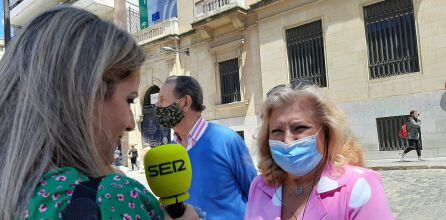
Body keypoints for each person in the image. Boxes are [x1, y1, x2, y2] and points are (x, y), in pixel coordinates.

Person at [0, 7, 198, 219]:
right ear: (86, 97)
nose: (131, 122)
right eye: (129, 99)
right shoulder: (114, 198)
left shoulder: (20, 193)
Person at [245, 80, 394, 219]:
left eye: (300, 128)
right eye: (277, 131)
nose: (287, 141)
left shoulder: (358, 184)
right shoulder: (260, 186)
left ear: (327, 132)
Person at [155, 75, 257, 219]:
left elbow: (256, 195)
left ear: (185, 103)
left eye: (162, 100)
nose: (157, 106)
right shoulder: (170, 153)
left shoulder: (228, 141)